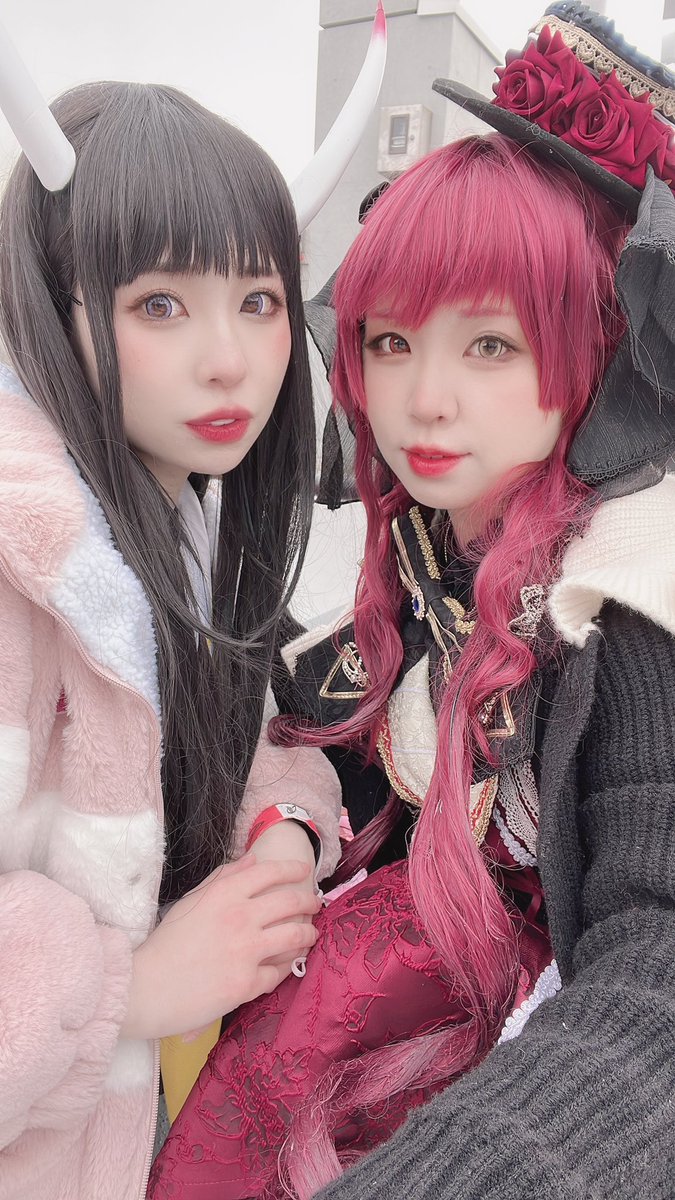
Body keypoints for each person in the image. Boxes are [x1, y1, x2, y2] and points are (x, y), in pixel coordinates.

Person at [150, 5, 675, 1199]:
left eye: (490, 346)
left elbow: (657, 974)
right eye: (391, 342)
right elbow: (345, 729)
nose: (425, 400)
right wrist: (289, 826)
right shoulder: (443, 542)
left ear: (594, 345)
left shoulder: (631, 590)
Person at [0, 78, 353, 1200]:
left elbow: (205, 748)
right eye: (161, 303)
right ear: (50, 300)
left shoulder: (174, 516)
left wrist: (283, 826)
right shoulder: (22, 560)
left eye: (257, 300)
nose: (230, 359)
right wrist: (131, 989)